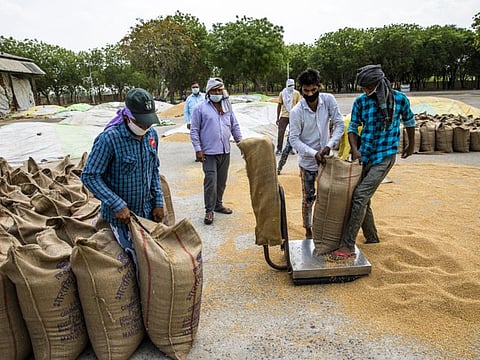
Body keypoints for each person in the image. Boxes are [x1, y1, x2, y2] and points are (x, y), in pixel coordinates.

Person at [330, 64, 416, 259]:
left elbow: (410, 122)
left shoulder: (399, 99)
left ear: (378, 83)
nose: (365, 91)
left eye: (368, 87)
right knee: (363, 198)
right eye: (363, 87)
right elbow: (352, 127)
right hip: (365, 154)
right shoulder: (361, 102)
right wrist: (355, 149)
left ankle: (347, 245)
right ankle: (372, 238)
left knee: (359, 196)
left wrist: (411, 145)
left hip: (385, 156)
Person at [81, 87, 164, 258]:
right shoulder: (109, 139)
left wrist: (158, 201)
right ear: (128, 117)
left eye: (148, 123)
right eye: (141, 123)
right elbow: (90, 176)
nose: (145, 127)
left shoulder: (151, 136)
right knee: (133, 260)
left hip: (146, 214)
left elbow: (153, 169)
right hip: (120, 219)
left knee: (155, 258)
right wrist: (116, 204)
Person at [289, 68, 344, 239]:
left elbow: (339, 125)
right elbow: (294, 140)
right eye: (306, 91)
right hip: (308, 163)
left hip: (327, 161)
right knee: (308, 198)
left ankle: (325, 228)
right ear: (301, 90)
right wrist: (314, 153)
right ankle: (308, 231)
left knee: (328, 197)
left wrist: (328, 146)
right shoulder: (296, 111)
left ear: (319, 86)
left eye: (313, 90)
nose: (310, 94)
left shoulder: (328, 100)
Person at [190, 77, 243, 225]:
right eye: (215, 90)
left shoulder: (227, 107)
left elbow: (234, 126)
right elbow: (194, 130)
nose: (218, 93)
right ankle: (209, 211)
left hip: (225, 150)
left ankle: (218, 204)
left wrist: (241, 143)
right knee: (211, 182)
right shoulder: (200, 108)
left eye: (220, 90)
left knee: (221, 182)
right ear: (208, 92)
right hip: (208, 153)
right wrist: (198, 149)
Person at [275, 78, 302, 155]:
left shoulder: (296, 94)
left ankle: (289, 148)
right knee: (281, 132)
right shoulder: (282, 94)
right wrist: (277, 118)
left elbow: (299, 106)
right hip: (284, 116)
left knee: (292, 133)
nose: (292, 87)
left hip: (294, 116)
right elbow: (279, 105)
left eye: (293, 85)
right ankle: (279, 149)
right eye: (290, 85)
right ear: (287, 85)